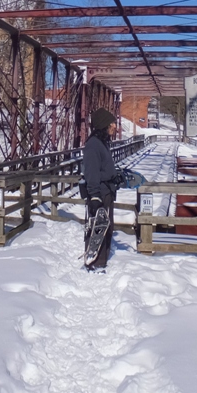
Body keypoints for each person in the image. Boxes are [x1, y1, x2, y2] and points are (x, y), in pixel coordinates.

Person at [81, 107, 120, 271]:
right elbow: (91, 172)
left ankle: (101, 261)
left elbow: (103, 168)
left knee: (105, 226)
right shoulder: (93, 145)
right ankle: (94, 263)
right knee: (98, 226)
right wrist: (95, 195)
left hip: (106, 191)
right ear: (104, 124)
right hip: (100, 193)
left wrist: (115, 176)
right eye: (112, 123)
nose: (115, 127)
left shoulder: (101, 143)